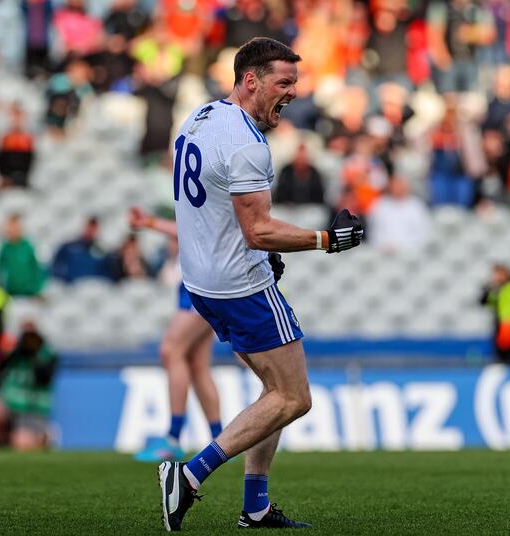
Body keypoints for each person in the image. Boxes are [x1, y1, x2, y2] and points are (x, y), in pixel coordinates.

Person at [158, 37, 364, 531]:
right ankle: (188, 476)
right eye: (284, 82)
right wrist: (326, 239)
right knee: (293, 397)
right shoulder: (248, 143)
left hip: (202, 281)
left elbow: (210, 205)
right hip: (241, 285)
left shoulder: (202, 116)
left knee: (274, 393)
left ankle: (255, 506)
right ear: (251, 80)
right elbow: (258, 230)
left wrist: (259, 249)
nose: (293, 92)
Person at [128, 208, 223, 463]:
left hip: (202, 284)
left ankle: (173, 438)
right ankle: (221, 440)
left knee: (171, 350)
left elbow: (189, 229)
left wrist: (150, 222)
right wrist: (151, 223)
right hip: (202, 282)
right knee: (198, 364)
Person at [0, 320, 58, 450]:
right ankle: (2, 437)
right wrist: (15, 350)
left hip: (32, 409)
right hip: (10, 407)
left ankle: (44, 436)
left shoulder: (47, 355)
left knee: (20, 443)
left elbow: (45, 378)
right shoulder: (15, 352)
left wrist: (35, 354)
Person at [0, 214, 45, 297]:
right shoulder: (4, 249)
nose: (13, 230)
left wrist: (37, 289)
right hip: (10, 292)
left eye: (16, 227)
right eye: (11, 227)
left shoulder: (28, 246)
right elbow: (0, 270)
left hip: (29, 292)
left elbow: (36, 268)